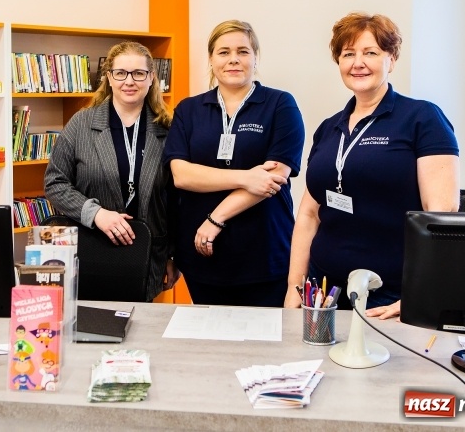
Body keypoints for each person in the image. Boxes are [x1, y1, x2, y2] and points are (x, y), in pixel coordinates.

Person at [284, 12, 460, 319]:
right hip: (324, 290)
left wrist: (418, 293)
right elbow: (309, 214)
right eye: (348, 54)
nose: (358, 63)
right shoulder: (328, 129)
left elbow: (440, 215)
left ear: (391, 59)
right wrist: (294, 286)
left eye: (370, 53)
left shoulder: (422, 118)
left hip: (390, 295)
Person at [163, 20, 305, 307]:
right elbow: (181, 175)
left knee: (268, 334)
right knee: (210, 333)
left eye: (243, 51)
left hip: (264, 253)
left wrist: (215, 219)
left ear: (255, 57)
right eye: (224, 52)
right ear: (211, 59)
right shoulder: (189, 110)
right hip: (202, 256)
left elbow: (274, 177)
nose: (233, 59)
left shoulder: (280, 105)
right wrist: (246, 177)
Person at [44, 40, 179, 301]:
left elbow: (176, 199)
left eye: (138, 73)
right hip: (92, 247)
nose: (129, 81)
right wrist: (96, 214)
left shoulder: (168, 127)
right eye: (121, 73)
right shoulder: (81, 123)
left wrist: (174, 256)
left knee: (139, 323)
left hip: (148, 253)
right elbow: (55, 182)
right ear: (109, 76)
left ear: (151, 77)